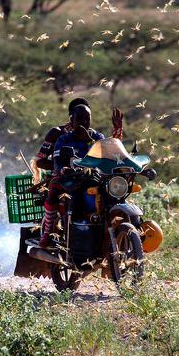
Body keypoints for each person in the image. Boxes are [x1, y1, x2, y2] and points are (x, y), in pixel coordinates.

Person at [38, 104, 124, 248]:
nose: (84, 122)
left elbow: (110, 151)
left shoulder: (97, 137)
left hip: (95, 178)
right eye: (80, 118)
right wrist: (63, 170)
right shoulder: (63, 139)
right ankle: (47, 232)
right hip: (72, 179)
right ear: (72, 119)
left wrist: (116, 130)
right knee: (54, 187)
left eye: (87, 118)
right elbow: (57, 162)